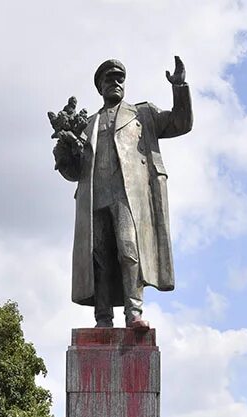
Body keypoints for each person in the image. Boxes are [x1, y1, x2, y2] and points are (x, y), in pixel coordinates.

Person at [54, 56, 193, 329]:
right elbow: (73, 173)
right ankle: (103, 318)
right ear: (100, 87)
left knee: (129, 250)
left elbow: (180, 123)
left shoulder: (142, 115)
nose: (115, 82)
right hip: (95, 197)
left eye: (120, 78)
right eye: (109, 79)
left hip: (127, 195)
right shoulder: (87, 125)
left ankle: (133, 313)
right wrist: (63, 150)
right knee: (99, 257)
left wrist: (179, 87)